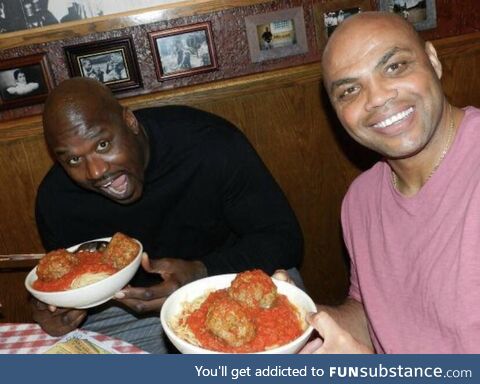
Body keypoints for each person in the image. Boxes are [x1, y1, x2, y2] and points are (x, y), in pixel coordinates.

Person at [33, 77, 303, 353]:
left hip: (227, 282)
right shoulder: (57, 199)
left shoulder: (209, 144)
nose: (96, 171)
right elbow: (63, 288)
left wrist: (201, 271)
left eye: (102, 145)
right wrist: (52, 313)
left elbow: (283, 239)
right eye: (73, 160)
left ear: (129, 122)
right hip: (121, 310)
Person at [283, 11, 479, 353]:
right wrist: (300, 318)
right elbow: (370, 312)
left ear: (433, 61)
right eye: (349, 90)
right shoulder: (360, 199)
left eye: (394, 67)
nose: (375, 98)